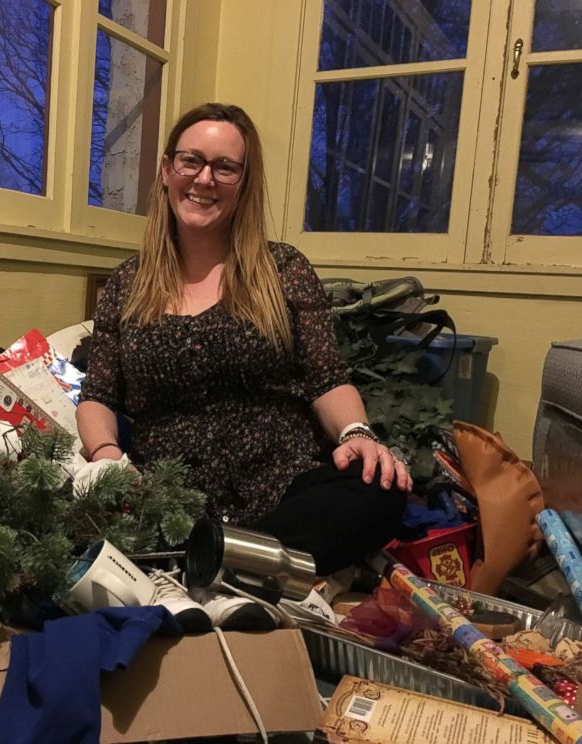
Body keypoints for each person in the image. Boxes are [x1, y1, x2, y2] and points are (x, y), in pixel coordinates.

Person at [76, 103, 408, 620]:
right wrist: (105, 456)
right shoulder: (127, 283)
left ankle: (205, 570)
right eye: (191, 161)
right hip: (172, 493)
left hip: (283, 485)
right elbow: (98, 396)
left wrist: (356, 435)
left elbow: (326, 379)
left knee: (379, 489)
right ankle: (240, 572)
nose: (204, 179)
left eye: (224, 167)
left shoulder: (284, 269)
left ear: (243, 182)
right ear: (166, 171)